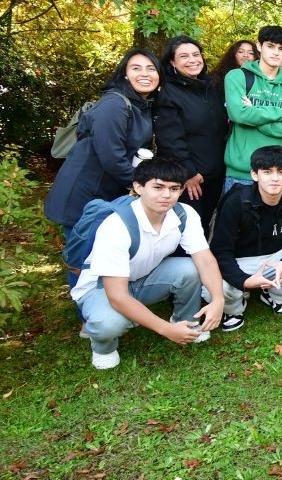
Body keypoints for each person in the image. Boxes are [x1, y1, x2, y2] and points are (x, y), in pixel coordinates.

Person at [72, 158, 223, 369]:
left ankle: (186, 322)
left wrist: (218, 300)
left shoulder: (184, 214)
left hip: (145, 277)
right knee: (108, 322)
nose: (166, 195)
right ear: (138, 187)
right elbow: (117, 296)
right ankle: (103, 347)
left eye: (174, 188)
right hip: (102, 289)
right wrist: (165, 330)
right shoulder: (117, 225)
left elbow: (205, 260)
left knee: (191, 268)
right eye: (158, 187)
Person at [46, 49, 163, 230]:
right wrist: (141, 186)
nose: (144, 74)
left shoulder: (142, 105)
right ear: (124, 74)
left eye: (151, 69)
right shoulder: (114, 105)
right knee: (86, 255)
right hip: (85, 194)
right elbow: (111, 156)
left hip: (107, 193)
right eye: (136, 68)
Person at [207, 146, 282, 331]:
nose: (275, 178)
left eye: (281, 172)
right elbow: (220, 251)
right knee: (212, 285)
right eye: (267, 172)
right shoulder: (236, 201)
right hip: (240, 259)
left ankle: (275, 295)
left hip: (276, 256)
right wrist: (245, 281)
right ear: (254, 175)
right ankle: (234, 308)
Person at [153, 36, 228, 225]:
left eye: (196, 54)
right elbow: (170, 139)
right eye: (184, 56)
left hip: (215, 174)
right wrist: (189, 173)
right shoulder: (168, 92)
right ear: (172, 62)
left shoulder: (210, 87)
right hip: (190, 179)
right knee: (187, 230)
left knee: (204, 227)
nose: (193, 60)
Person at [222, 26, 282, 192]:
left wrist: (254, 114)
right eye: (270, 46)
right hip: (242, 173)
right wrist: (281, 113)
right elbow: (238, 114)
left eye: (281, 49)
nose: (276, 53)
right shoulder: (237, 76)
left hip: (279, 175)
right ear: (259, 46)